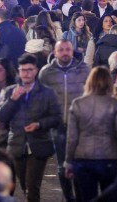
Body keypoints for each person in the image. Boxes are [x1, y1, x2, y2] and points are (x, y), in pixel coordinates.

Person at [64, 66, 117, 202]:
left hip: (83, 159)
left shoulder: (77, 104)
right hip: (108, 159)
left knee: (87, 197)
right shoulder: (114, 104)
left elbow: (72, 138)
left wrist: (68, 162)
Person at [0, 53, 61, 202]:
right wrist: (12, 100)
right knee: (24, 185)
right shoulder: (10, 91)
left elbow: (57, 118)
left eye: (30, 70)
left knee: (33, 186)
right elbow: (2, 117)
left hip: (38, 145)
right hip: (17, 145)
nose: (26, 73)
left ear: (36, 70)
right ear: (18, 71)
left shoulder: (47, 92)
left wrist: (39, 124)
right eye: (23, 70)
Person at [39, 39, 90, 202]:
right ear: (55, 52)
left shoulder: (84, 70)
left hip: (80, 124)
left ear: (72, 50)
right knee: (62, 165)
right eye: (61, 50)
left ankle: (81, 196)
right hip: (59, 124)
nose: (65, 52)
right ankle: (68, 196)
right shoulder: (46, 72)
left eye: (68, 49)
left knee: (80, 164)